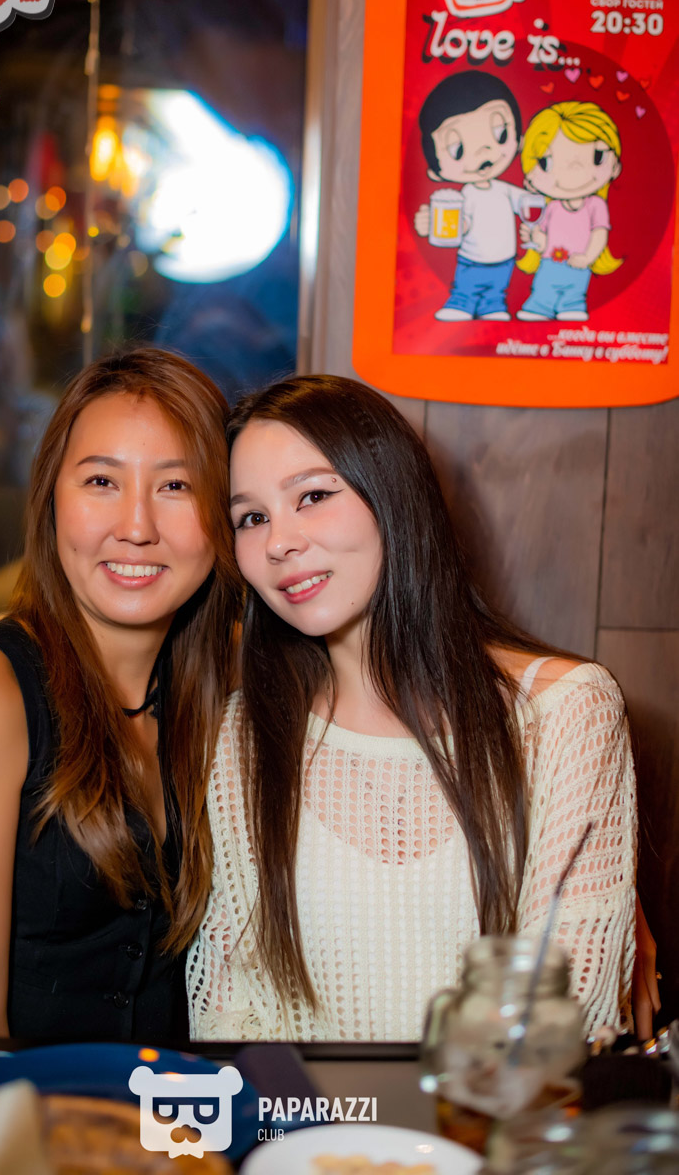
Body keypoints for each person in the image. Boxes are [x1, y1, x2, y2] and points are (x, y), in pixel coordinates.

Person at [187, 375, 637, 1041]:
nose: (279, 541)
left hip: (488, 1107)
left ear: (393, 495)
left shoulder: (566, 711)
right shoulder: (243, 734)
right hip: (297, 1111)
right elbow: (227, 1006)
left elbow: (570, 1007)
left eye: (313, 496)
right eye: (251, 518)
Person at [0, 349, 241, 1040]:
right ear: (51, 499)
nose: (136, 526)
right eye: (101, 481)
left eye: (176, 485)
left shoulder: (216, 688)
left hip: (176, 1103)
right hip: (23, 1103)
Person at [413, 71, 528, 321]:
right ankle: (460, 304)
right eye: (458, 149)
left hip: (504, 260)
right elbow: (459, 224)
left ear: (519, 138)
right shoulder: (464, 196)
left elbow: (527, 203)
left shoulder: (504, 190)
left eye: (499, 133)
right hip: (472, 259)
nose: (484, 151)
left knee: (496, 292)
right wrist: (432, 224)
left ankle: (494, 307)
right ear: (436, 171)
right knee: (465, 288)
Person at [516, 101, 622, 321]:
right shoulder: (552, 207)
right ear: (530, 176)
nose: (574, 170)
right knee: (542, 294)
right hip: (549, 263)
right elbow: (544, 236)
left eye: (597, 156)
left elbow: (599, 233)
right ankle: (539, 308)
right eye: (546, 162)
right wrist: (536, 239)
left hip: (578, 265)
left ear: (615, 167)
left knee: (574, 298)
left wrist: (588, 257)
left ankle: (572, 308)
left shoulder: (595, 205)